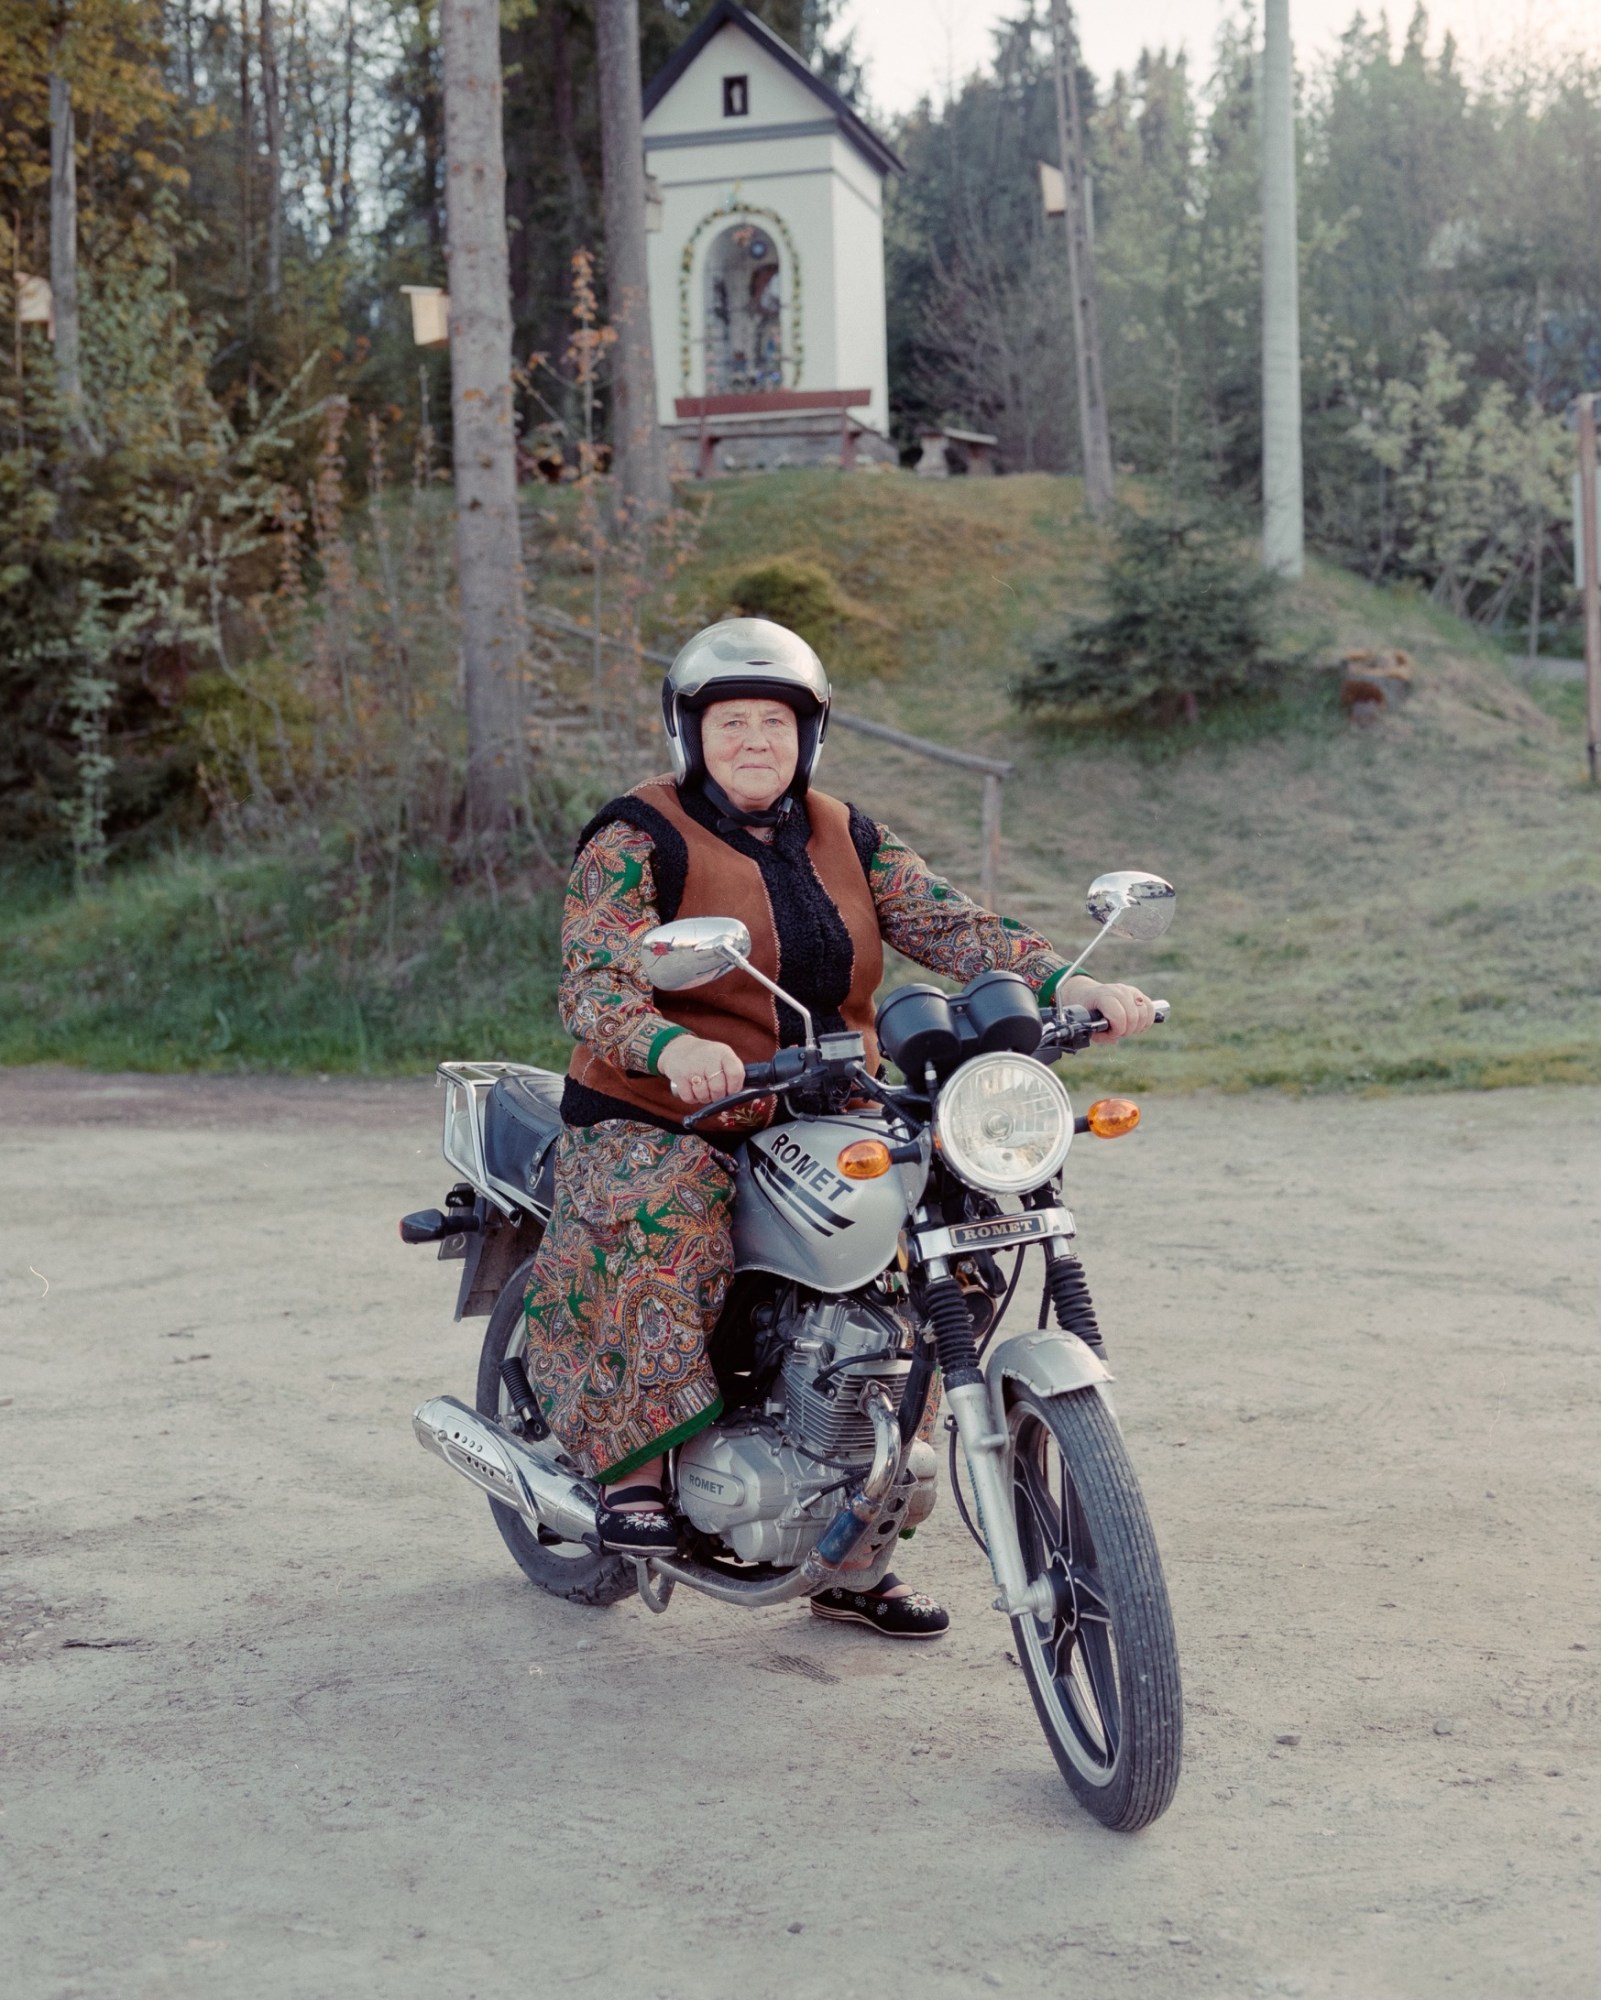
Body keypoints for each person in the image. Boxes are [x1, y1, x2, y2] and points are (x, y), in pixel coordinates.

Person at [522, 618, 1157, 1638]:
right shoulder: (634, 835)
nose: (754, 742)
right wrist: (663, 1044)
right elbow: (595, 974)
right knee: (663, 1215)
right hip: (662, 1106)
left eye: (774, 723)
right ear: (689, 733)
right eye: (730, 723)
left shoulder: (844, 829)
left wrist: (1061, 976)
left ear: (806, 736)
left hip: (822, 1095)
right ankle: (629, 1472)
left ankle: (857, 1537)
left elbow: (946, 919)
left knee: (937, 1243)